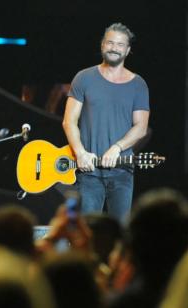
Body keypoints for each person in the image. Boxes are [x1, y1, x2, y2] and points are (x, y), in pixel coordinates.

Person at [62, 22, 150, 223]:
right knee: (85, 234)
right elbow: (69, 121)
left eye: (120, 44)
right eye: (110, 42)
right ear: (102, 45)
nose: (114, 48)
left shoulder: (138, 84)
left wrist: (117, 148)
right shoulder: (83, 78)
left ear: (127, 51)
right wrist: (80, 152)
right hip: (88, 171)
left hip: (122, 172)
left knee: (119, 234)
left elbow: (141, 127)